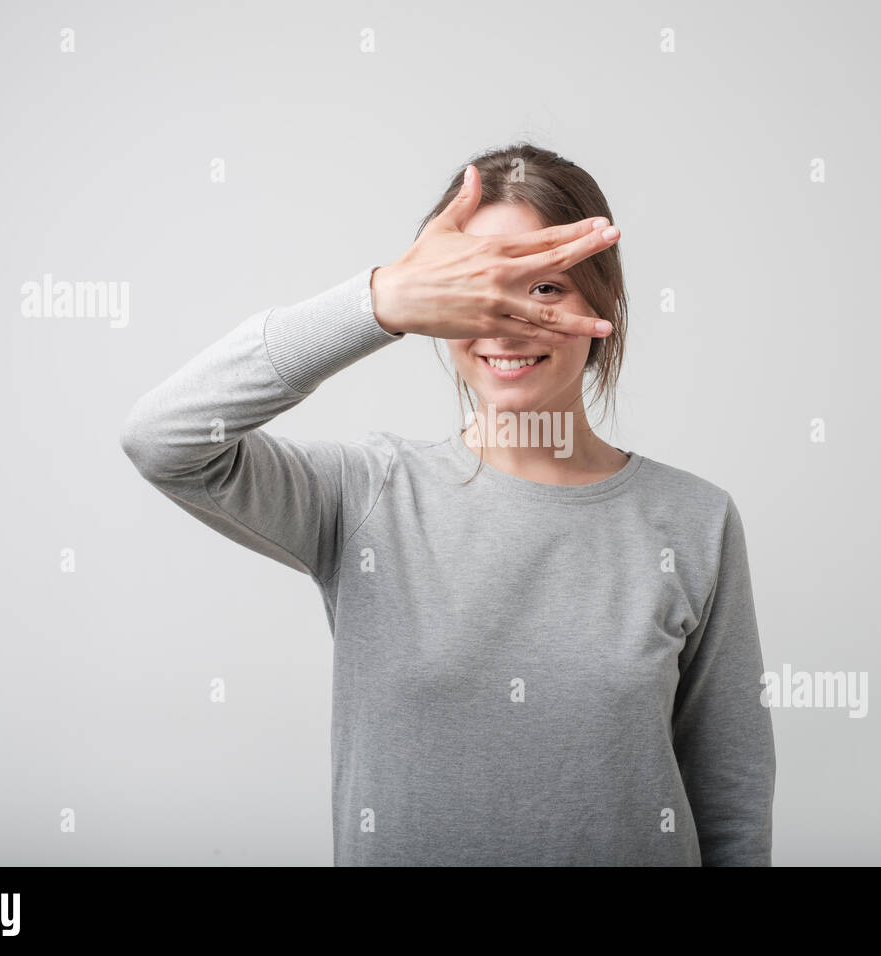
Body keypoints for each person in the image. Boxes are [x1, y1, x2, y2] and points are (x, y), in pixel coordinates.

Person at [120, 143, 776, 865]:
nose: (504, 322)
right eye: (475, 290)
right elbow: (163, 438)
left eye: (545, 288)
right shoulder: (366, 498)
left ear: (603, 303)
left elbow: (731, 799)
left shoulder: (694, 521)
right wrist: (378, 301)